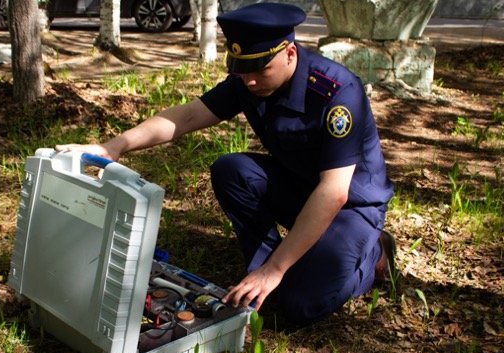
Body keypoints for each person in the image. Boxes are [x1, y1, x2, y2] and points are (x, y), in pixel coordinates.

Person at [56, 2, 395, 325]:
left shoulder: (336, 94)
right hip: (302, 191)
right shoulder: (251, 81)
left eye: (260, 69)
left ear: (290, 54)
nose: (248, 81)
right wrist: (113, 146)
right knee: (231, 170)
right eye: (241, 69)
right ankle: (262, 271)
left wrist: (277, 269)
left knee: (302, 304)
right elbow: (186, 116)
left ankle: (374, 255)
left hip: (351, 206)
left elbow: (334, 192)